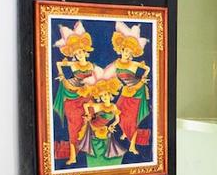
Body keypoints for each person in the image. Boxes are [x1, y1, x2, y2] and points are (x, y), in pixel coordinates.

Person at [53, 21, 101, 165]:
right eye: (76, 53)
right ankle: (73, 156)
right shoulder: (73, 65)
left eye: (81, 51)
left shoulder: (92, 66)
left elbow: (97, 81)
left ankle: (91, 152)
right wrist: (62, 76)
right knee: (73, 128)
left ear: (85, 51)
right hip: (72, 99)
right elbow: (59, 64)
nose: (79, 55)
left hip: (87, 98)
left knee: (91, 124)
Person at [106, 21, 151, 155]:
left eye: (130, 52)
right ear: (121, 50)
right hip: (126, 91)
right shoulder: (116, 63)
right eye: (126, 51)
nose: (127, 54)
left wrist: (143, 79)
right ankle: (126, 132)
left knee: (132, 120)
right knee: (119, 113)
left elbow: (147, 68)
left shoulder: (134, 64)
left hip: (137, 91)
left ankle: (132, 145)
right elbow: (113, 75)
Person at [76, 79, 127, 167]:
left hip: (105, 131)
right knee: (96, 152)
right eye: (102, 96)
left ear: (110, 94)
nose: (104, 97)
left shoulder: (113, 107)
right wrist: (87, 114)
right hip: (94, 131)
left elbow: (117, 120)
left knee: (108, 151)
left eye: (105, 94)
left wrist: (112, 125)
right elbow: (86, 105)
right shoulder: (99, 106)